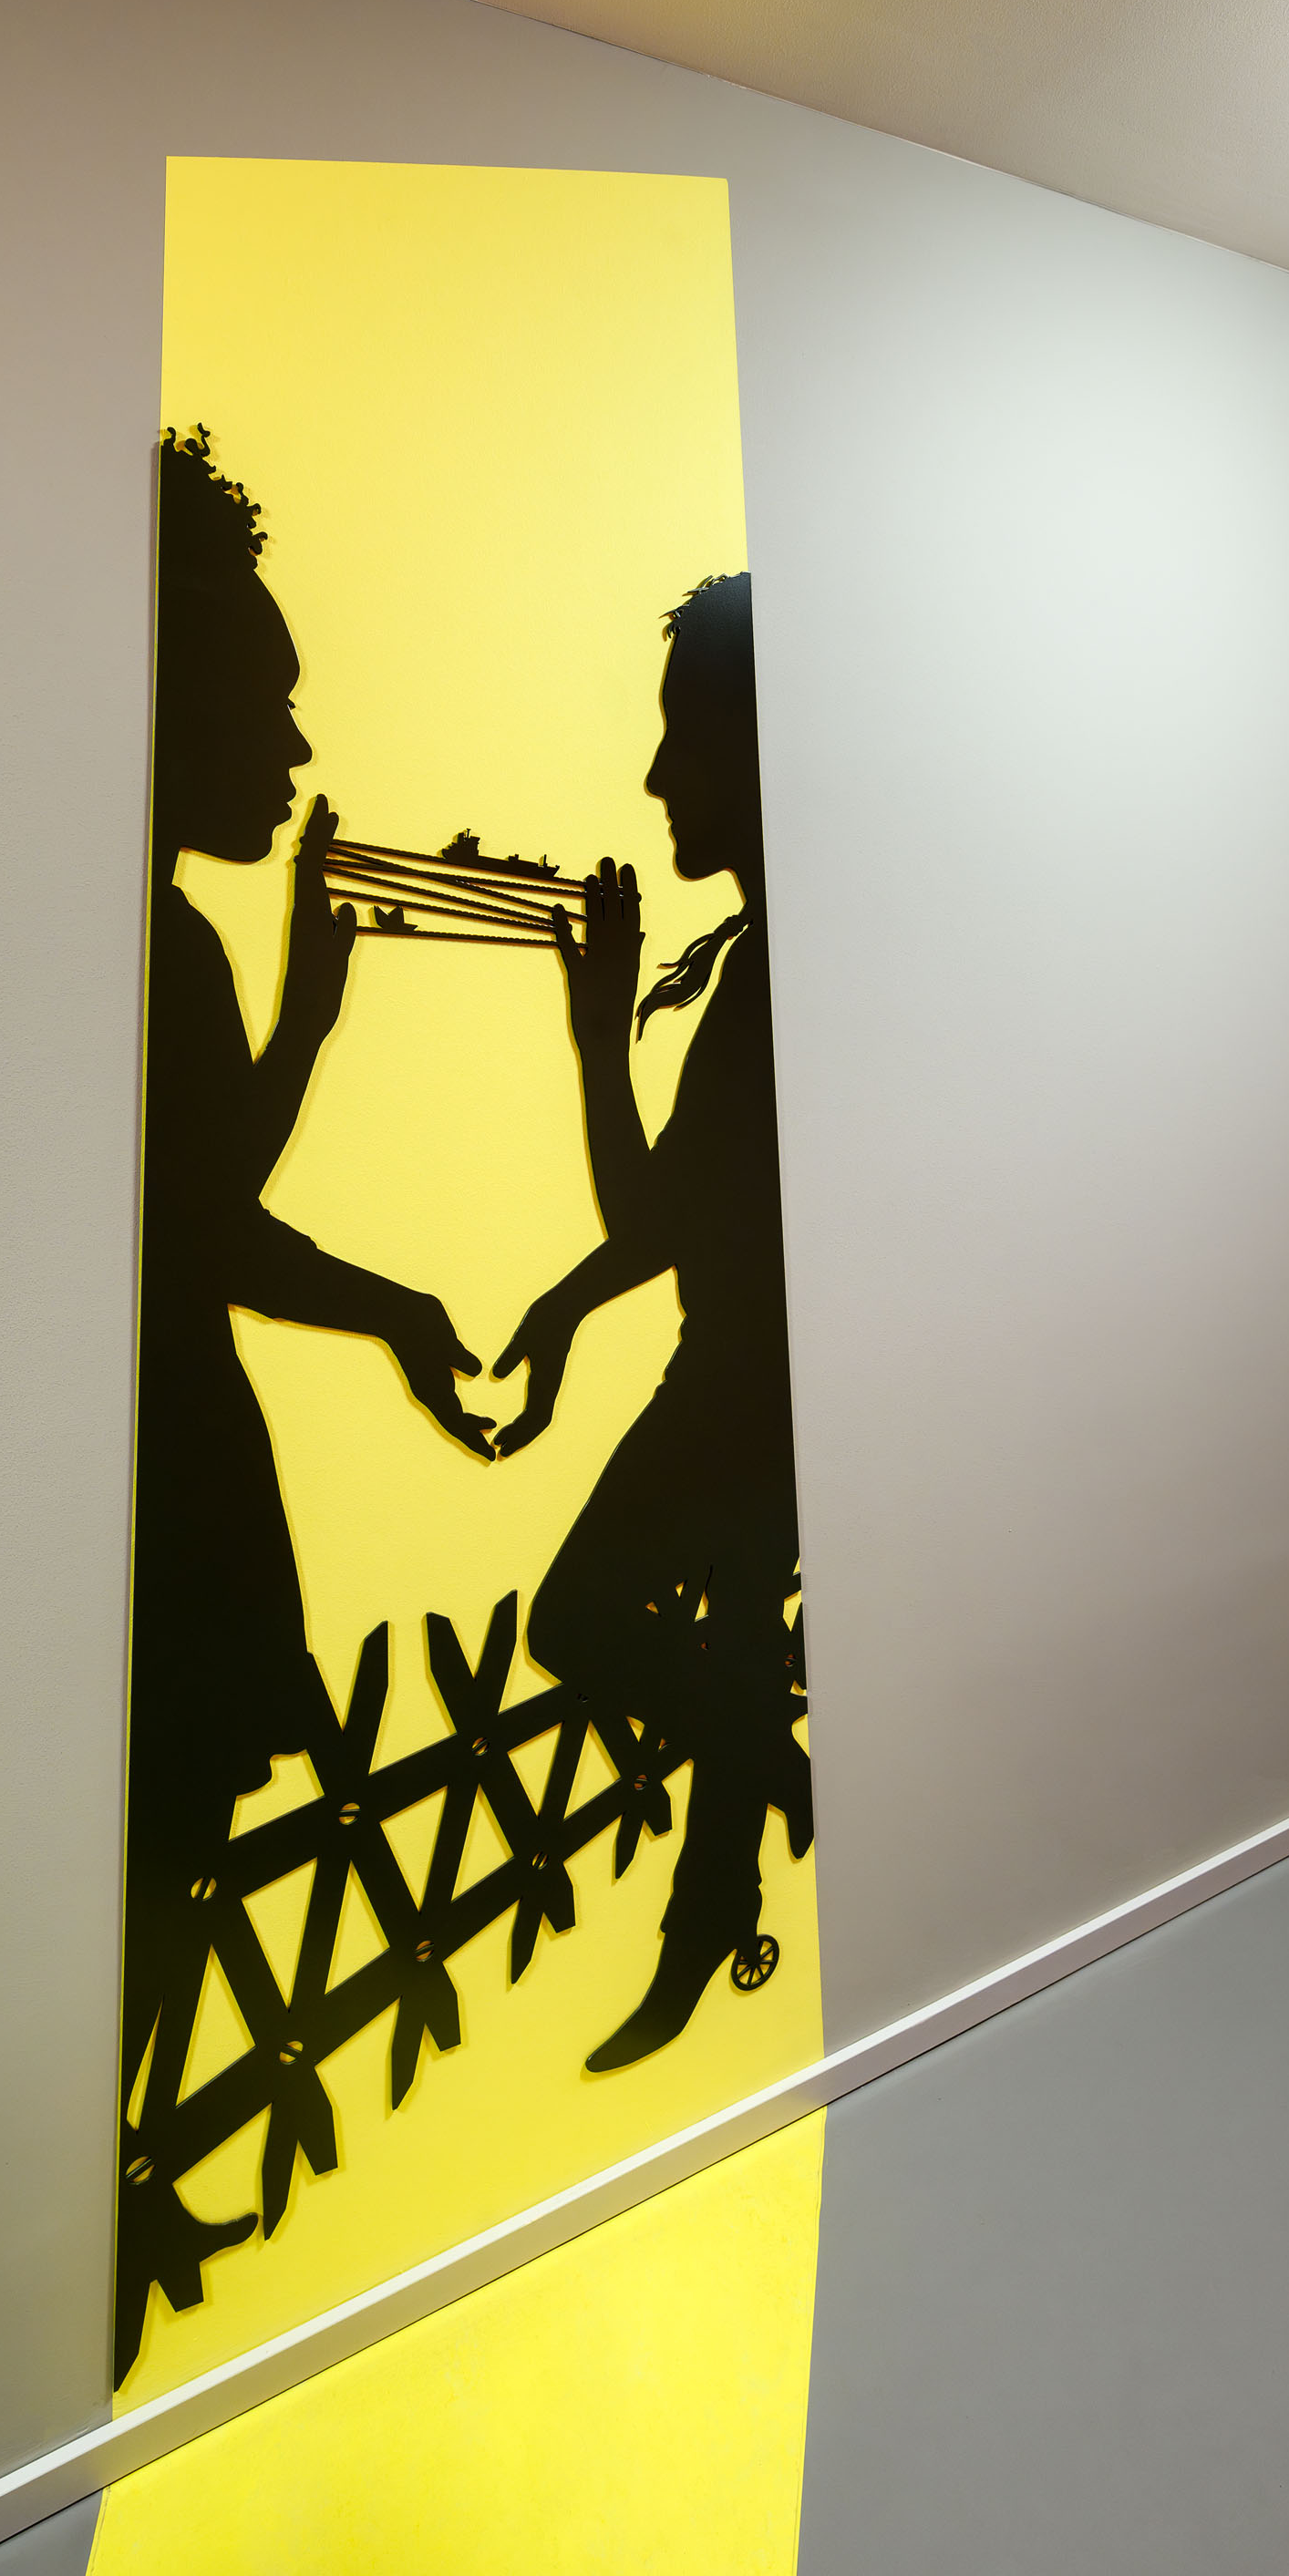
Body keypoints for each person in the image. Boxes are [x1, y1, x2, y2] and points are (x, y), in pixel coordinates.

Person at [119, 429, 493, 2357]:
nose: (289, 748)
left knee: (155, 1847)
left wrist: (395, 1303)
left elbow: (200, 1209)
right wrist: (317, 1018)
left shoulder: (145, 937)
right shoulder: (157, 944)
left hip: (175, 1465)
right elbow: (208, 1226)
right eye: (260, 702)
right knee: (159, 1842)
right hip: (175, 1482)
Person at [492, 571, 812, 2072]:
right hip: (749, 1380)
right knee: (735, 1636)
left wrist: (593, 1028)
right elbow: (675, 1215)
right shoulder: (768, 963)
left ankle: (767, 1791)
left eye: (686, 736)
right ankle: (707, 1925)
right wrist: (563, 1308)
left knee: (579, 1618)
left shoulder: (770, 976)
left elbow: (656, 1215)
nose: (657, 776)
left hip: (741, 1386)